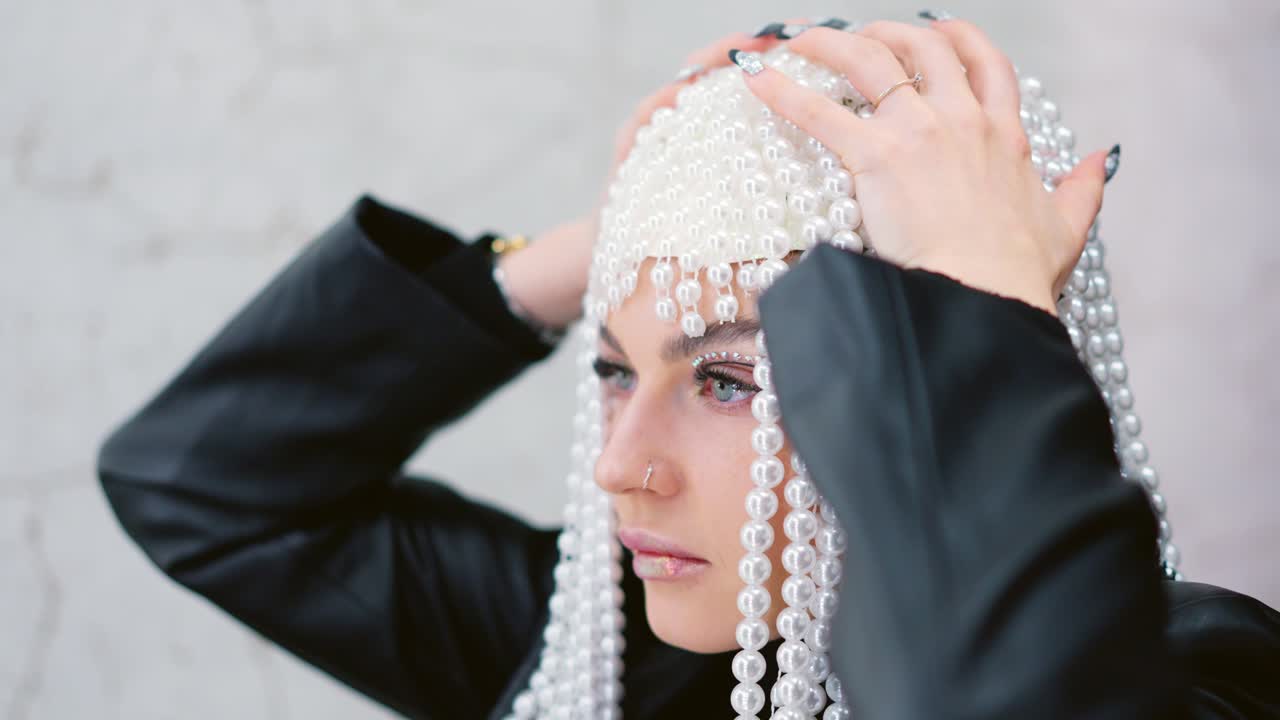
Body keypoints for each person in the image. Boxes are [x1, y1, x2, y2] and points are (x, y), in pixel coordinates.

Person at [97, 14, 1279, 720]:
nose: (619, 467)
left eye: (725, 382)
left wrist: (972, 295)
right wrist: (621, 238)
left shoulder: (1204, 677)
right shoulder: (600, 661)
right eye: (613, 372)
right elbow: (203, 486)